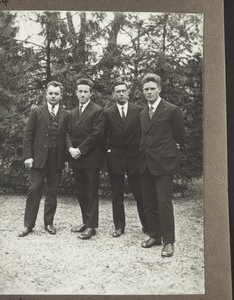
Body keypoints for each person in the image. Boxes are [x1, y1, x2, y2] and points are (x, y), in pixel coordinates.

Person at [139, 73, 186, 257]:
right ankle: (154, 235)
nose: (149, 92)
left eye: (152, 88)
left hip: (164, 165)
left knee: (164, 203)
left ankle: (168, 242)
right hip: (146, 164)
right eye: (146, 89)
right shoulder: (143, 113)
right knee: (148, 203)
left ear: (159, 89)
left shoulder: (171, 110)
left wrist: (169, 153)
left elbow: (180, 137)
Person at [19, 81, 69, 237]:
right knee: (34, 190)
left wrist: (66, 159)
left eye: (56, 94)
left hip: (57, 160)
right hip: (38, 159)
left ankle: (49, 223)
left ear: (61, 96)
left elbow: (67, 137)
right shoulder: (36, 111)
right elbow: (28, 135)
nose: (53, 96)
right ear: (46, 94)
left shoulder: (66, 115)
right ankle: (28, 225)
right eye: (50, 93)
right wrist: (28, 156)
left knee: (52, 192)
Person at [104, 80, 147, 237]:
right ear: (114, 94)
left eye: (123, 90)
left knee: (139, 193)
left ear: (128, 92)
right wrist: (108, 151)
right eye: (118, 91)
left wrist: (141, 151)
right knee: (117, 194)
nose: (121, 93)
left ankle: (147, 225)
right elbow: (103, 136)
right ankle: (119, 226)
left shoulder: (138, 110)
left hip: (135, 158)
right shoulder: (108, 113)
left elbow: (144, 133)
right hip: (115, 159)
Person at [66, 78, 104, 240]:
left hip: (90, 158)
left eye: (85, 91)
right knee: (81, 192)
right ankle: (85, 221)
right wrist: (70, 149)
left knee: (91, 192)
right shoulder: (72, 113)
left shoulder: (97, 110)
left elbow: (96, 134)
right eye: (80, 91)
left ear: (90, 93)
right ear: (76, 93)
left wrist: (80, 150)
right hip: (76, 158)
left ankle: (91, 226)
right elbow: (66, 133)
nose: (82, 94)